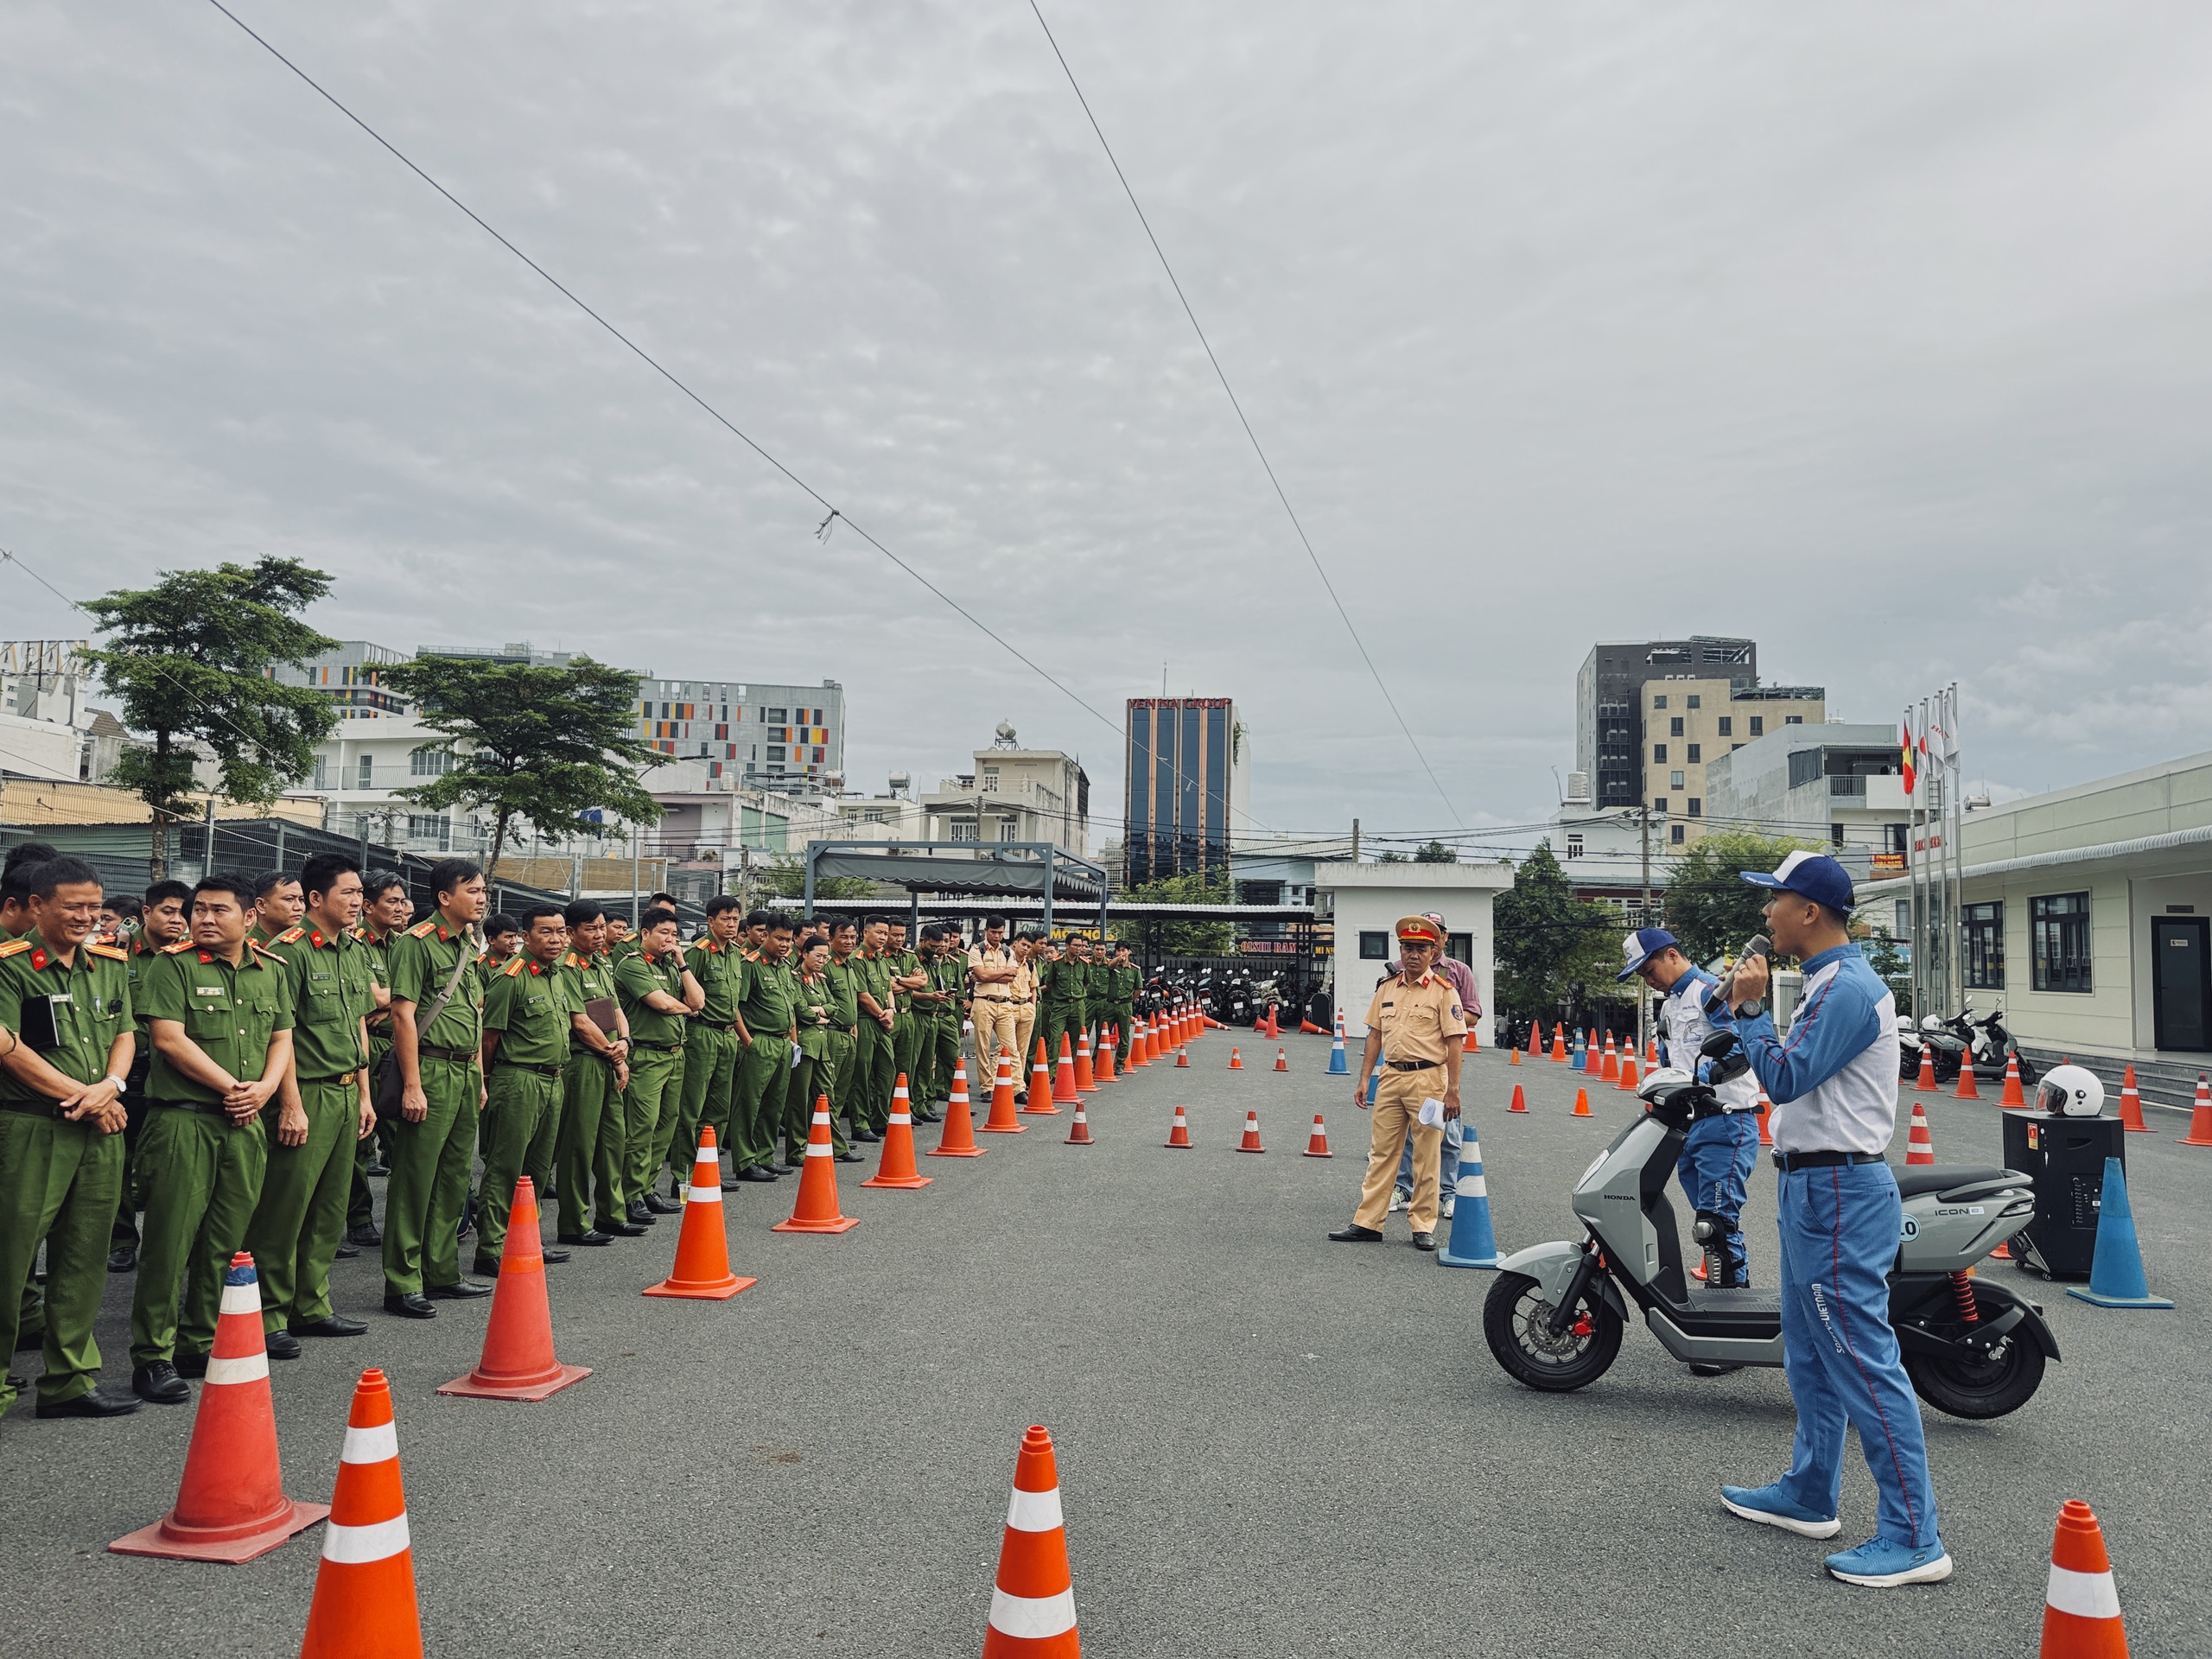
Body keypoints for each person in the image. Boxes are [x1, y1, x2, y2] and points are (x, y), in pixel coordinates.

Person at [1713, 851, 1948, 1588]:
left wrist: (1751, 1011)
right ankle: (1811, 1493)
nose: (1765, 914)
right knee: (1810, 1353)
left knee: (1862, 1361)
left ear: (1809, 911)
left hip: (1841, 1192)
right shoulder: (1825, 982)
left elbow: (1784, 1078)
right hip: (1811, 1187)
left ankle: (1915, 1537)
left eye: (1774, 900)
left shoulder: (1848, 987)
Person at [132, 872, 294, 1396]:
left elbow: (282, 1036)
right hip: (185, 1120)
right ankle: (152, 1354)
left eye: (217, 910)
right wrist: (234, 1088)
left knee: (226, 1241)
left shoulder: (271, 969)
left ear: (249, 918)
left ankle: (199, 1340)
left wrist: (266, 1090)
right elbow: (168, 1039)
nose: (201, 918)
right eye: (198, 909)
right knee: (169, 1240)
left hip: (245, 1124)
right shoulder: (171, 966)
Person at [0, 855, 138, 1418]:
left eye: (94, 906)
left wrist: (110, 1086)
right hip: (33, 1127)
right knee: (10, 1258)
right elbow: (9, 1046)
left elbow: (125, 1033)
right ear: (37, 906)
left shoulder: (106, 962)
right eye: (73, 906)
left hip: (100, 1127)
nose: (86, 917)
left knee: (84, 1254)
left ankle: (70, 1380)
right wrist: (83, 1098)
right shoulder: (11, 965)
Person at [244, 854, 378, 1351]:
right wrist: (292, 1105)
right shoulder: (291, 952)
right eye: (348, 892)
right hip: (308, 1093)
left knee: (329, 1205)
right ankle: (270, 1314)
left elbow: (359, 1024)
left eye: (360, 892)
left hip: (346, 1092)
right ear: (317, 898)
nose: (358, 901)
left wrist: (365, 1095)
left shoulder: (354, 950)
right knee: (286, 1207)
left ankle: (312, 1304)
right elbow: (284, 1036)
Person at [1619, 925, 1761, 1302]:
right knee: (1705, 1221)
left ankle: (1733, 1311)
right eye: (1642, 976)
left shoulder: (1712, 992)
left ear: (1671, 955)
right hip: (1689, 1126)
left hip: (1727, 1120)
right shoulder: (1669, 1005)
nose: (1649, 981)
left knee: (1717, 1223)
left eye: (1649, 971)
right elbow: (1672, 1060)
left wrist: (1699, 1079)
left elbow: (1745, 1052)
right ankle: (1723, 1305)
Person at [382, 858, 490, 1319]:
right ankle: (403, 1281)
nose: (483, 898)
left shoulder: (470, 945)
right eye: (474, 890)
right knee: (415, 1178)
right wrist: (412, 1084)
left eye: (484, 890)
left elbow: (477, 1015)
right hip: (430, 1070)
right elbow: (403, 1015)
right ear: (445, 897)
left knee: (454, 1175)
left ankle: (442, 1270)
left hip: (465, 1072)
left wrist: (481, 1078)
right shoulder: (417, 944)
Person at [1330, 915, 1465, 1252]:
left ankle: (1422, 1226)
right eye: (1407, 948)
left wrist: (1453, 1090)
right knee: (1382, 1153)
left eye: (1421, 949)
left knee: (1427, 1155)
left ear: (1433, 952)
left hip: (1429, 1079)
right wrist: (1364, 1079)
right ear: (1400, 950)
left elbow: (1455, 1043)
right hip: (1390, 1077)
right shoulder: (1387, 988)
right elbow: (1375, 1034)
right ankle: (1367, 1223)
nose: (1413, 955)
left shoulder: (1445, 993)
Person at [473, 903, 575, 1274]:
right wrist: (486, 1082)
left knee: (538, 1170)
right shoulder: (510, 977)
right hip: (517, 1080)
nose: (556, 938)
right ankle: (491, 1248)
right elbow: (489, 1037)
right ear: (526, 937)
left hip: (553, 1080)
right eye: (546, 931)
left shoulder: (557, 975)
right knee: (506, 1167)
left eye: (561, 931)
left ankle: (527, 1240)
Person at [109, 877, 191, 1273]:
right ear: (146, 913)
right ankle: (122, 1239)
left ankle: (169, 1240)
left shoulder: (189, 959)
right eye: (168, 912)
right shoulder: (116, 954)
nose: (177, 921)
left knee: (163, 1163)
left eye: (182, 913)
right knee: (118, 1161)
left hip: (170, 1073)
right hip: (125, 1070)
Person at [1387, 913, 1482, 1221]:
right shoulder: (1401, 970)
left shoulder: (1458, 972)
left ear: (1443, 937)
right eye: (1410, 946)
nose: (1417, 951)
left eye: (1435, 934)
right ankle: (1403, 1188)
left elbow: (1472, 1015)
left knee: (1448, 1132)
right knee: (1408, 1134)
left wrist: (1440, 1019)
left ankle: (1448, 1193)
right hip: (1406, 1064)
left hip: (1440, 1064)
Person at [614, 906, 702, 1223]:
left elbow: (699, 1001)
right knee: (641, 1127)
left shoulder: (671, 966)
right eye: (664, 933)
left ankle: (648, 1188)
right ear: (645, 934)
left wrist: (682, 962)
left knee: (666, 1126)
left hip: (674, 1054)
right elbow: (663, 1004)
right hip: (646, 1056)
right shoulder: (632, 965)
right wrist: (688, 1009)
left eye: (675, 934)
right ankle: (630, 1194)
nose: (670, 939)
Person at [555, 901, 634, 1242]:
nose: (600, 934)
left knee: (612, 1142)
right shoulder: (566, 967)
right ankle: (574, 1222)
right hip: (585, 1062)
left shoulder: (600, 963)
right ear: (571, 932)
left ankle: (612, 1214)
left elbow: (616, 1010)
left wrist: (626, 1043)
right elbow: (580, 1022)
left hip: (610, 1058)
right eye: (592, 928)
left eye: (602, 926)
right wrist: (615, 1055)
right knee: (579, 1146)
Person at [345, 872, 409, 1249]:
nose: (400, 908)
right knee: (360, 1142)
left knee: (401, 1135)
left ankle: (404, 1219)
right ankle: (359, 1218)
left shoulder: (402, 944)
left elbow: (406, 997)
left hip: (398, 1048)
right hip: (368, 1048)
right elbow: (368, 1001)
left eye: (403, 901)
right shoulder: (357, 946)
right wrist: (390, 1002)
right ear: (368, 906)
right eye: (392, 902)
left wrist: (388, 1004)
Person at [671, 895, 747, 1192]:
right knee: (692, 1108)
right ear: (710, 921)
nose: (731, 925)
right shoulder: (700, 952)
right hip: (702, 1033)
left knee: (718, 1108)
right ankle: (685, 1177)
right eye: (725, 919)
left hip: (727, 1035)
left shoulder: (735, 954)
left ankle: (708, 1170)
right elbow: (683, 993)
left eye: (735, 919)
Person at [731, 912, 798, 1175]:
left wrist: (793, 1043)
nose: (784, 944)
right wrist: (748, 1041)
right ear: (765, 935)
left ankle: (765, 1155)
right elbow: (735, 1006)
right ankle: (746, 1160)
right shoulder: (751, 964)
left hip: (782, 1044)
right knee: (749, 1103)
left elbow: (789, 1007)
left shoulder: (784, 966)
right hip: (761, 1042)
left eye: (789, 940)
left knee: (774, 1103)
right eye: (779, 938)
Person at [791, 937, 863, 1164]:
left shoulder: (819, 979)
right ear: (804, 953)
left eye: (826, 956)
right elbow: (801, 1011)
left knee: (826, 1096)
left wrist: (820, 1011)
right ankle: (797, 1149)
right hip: (805, 1045)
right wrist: (818, 1015)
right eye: (818, 955)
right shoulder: (795, 979)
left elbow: (834, 1006)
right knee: (800, 1100)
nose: (823, 961)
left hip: (821, 1045)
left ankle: (836, 1145)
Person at [822, 919, 867, 1153]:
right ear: (831, 938)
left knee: (841, 1091)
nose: (850, 941)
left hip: (849, 1034)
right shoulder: (826, 965)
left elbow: (852, 1000)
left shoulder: (849, 965)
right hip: (832, 1035)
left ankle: (832, 1134)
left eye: (852, 937)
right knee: (827, 1091)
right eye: (844, 937)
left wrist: (855, 1029)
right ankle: (830, 1140)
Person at [852, 917, 896, 1141]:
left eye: (885, 934)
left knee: (887, 1071)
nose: (883, 937)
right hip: (866, 1021)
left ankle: (880, 1119)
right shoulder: (857, 959)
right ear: (865, 933)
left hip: (883, 1021)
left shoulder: (881, 958)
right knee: (863, 1074)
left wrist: (891, 1010)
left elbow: (888, 988)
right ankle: (860, 1123)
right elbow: (863, 995)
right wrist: (882, 1014)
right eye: (879, 932)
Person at [967, 918, 1021, 1083]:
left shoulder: (1008, 952)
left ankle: (1017, 1086)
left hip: (1005, 1003)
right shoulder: (977, 950)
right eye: (993, 932)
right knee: (982, 1048)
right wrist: (1003, 972)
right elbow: (982, 975)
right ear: (986, 931)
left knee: (1011, 1047)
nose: (997, 936)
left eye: (1000, 932)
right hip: (983, 1002)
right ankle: (987, 1086)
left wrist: (988, 976)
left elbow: (1012, 977)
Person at [1009, 929, 1041, 1101]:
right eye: (1023, 945)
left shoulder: (1030, 964)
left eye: (1028, 946)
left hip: (1026, 1008)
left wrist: (1033, 1008)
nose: (1025, 949)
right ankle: (994, 1085)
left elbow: (1033, 987)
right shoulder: (1006, 961)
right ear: (1015, 943)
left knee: (1023, 1050)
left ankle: (1018, 1087)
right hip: (1009, 1008)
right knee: (1006, 1049)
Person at [1103, 940, 1138, 1070]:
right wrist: (1118, 958)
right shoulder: (1113, 965)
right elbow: (1109, 966)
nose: (1121, 953)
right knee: (1103, 1033)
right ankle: (1099, 1062)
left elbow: (1138, 989)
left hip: (1125, 1005)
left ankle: (1120, 1064)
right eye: (1118, 950)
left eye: (1124, 950)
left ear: (1129, 952)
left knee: (1124, 1036)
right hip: (1110, 1005)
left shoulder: (1134, 970)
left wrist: (1128, 1000)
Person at [249, 870, 304, 947]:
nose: (298, 907)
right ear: (261, 905)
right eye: (289, 899)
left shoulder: (305, 943)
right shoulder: (243, 947)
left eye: (301, 900)